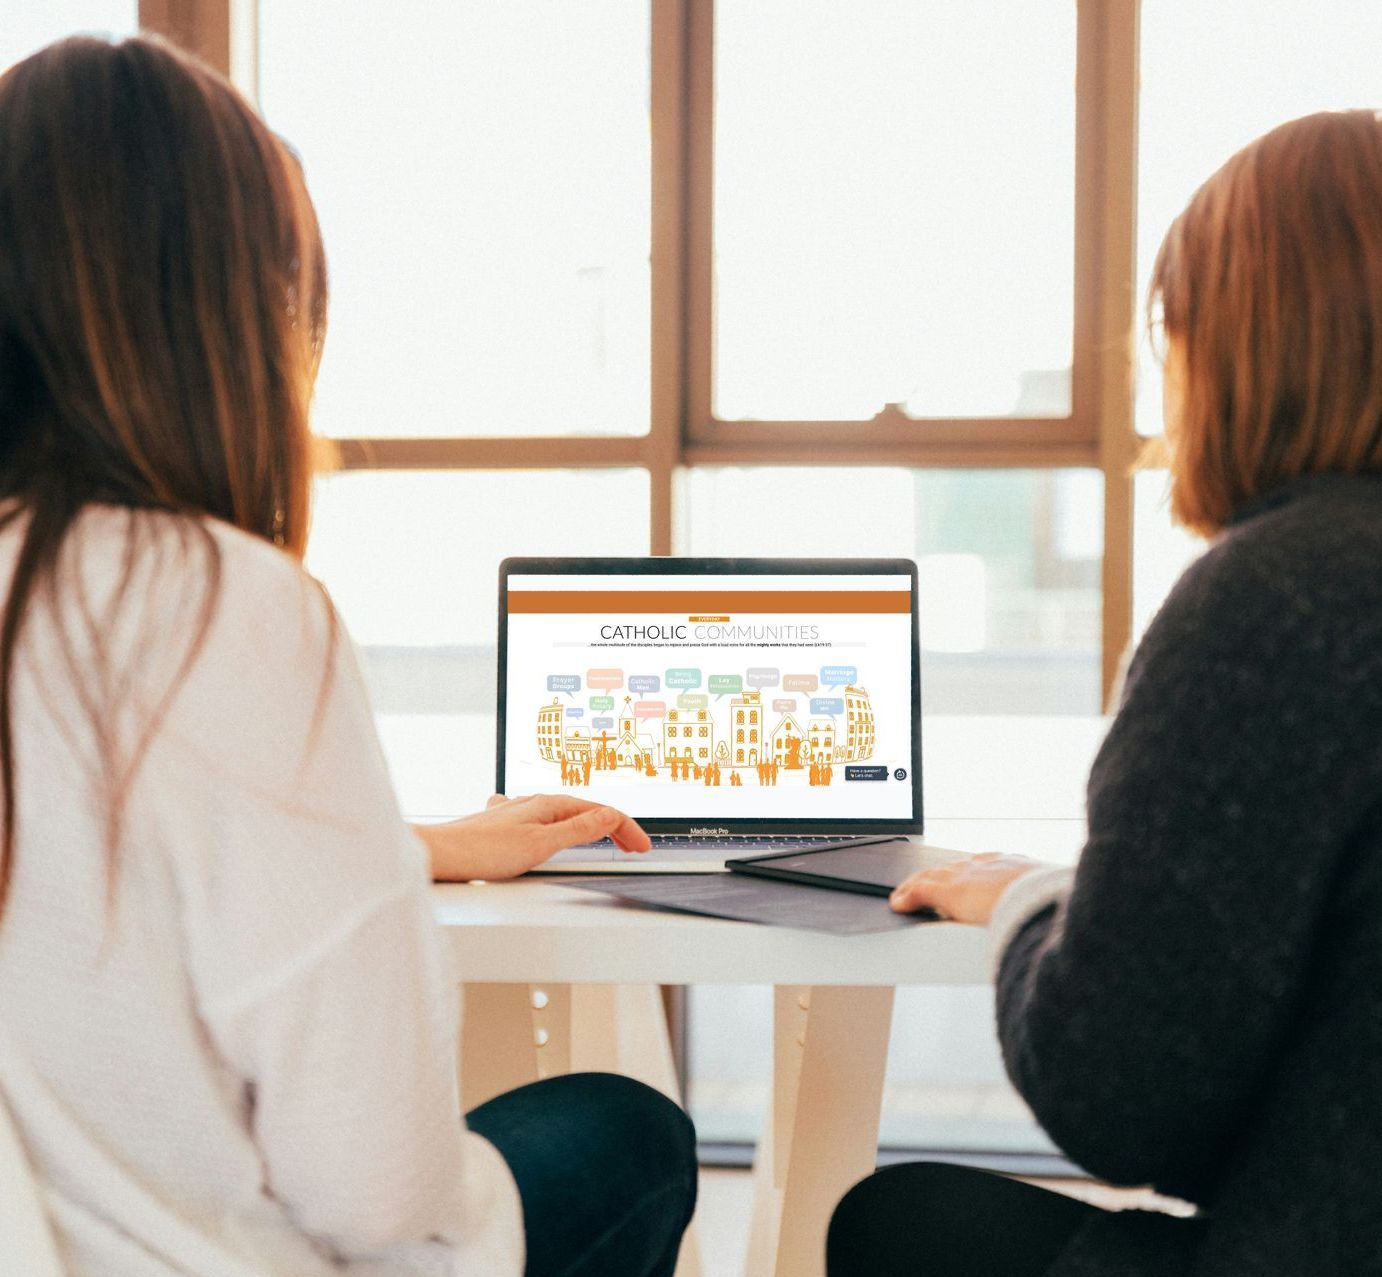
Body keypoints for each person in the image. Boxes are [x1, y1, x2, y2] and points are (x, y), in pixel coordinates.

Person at [0, 35, 696, 1277]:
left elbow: (81, 867)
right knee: (629, 1132)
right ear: (230, 317)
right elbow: (375, 1188)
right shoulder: (220, 606)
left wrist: (405, 844)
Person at [828, 109, 1382, 1276]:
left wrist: (1033, 905)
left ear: (1238, 344)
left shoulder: (1277, 597)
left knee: (891, 1226)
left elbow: (1120, 1102)